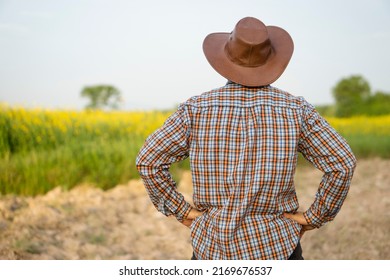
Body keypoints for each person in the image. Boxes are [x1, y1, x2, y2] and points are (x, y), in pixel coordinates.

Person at [136, 17, 356, 260]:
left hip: (213, 248)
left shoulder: (195, 109)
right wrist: (314, 217)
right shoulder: (296, 110)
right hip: (278, 246)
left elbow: (149, 161)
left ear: (225, 59)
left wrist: (181, 210)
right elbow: (342, 163)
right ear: (271, 60)